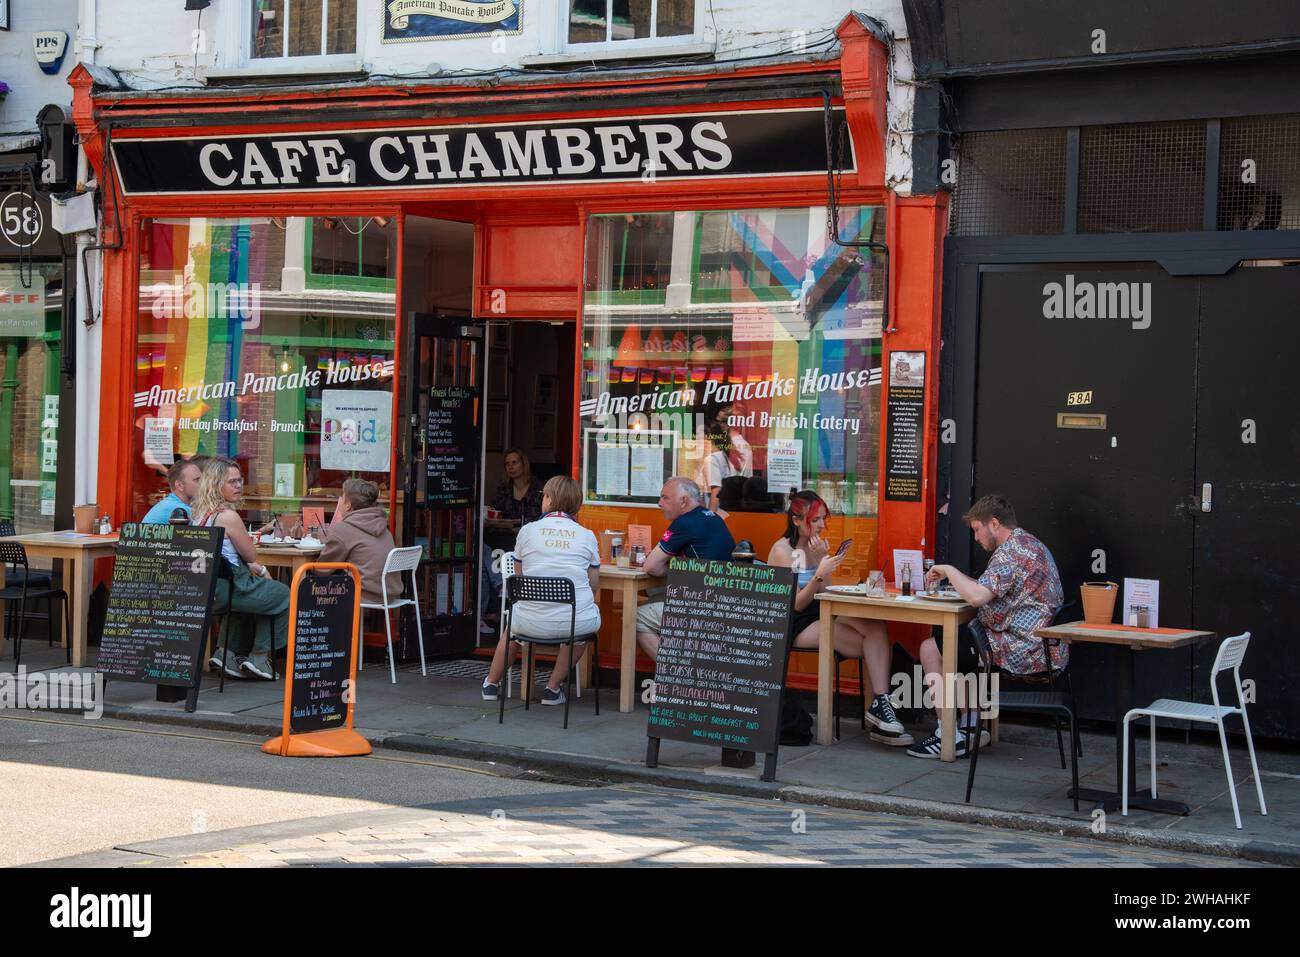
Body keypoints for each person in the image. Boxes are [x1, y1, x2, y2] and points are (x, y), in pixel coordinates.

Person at [907, 494, 1065, 759]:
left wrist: (947, 569)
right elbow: (986, 588)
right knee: (958, 639)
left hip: (1023, 650)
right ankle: (970, 727)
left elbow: (978, 597)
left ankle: (946, 734)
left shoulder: (1010, 552)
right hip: (1041, 645)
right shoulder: (1026, 543)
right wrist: (953, 577)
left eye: (977, 530)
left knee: (931, 647)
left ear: (994, 523)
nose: (976, 538)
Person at [766, 490, 912, 746]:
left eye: (824, 518)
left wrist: (823, 560)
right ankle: (882, 713)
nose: (822, 525)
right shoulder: (782, 551)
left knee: (875, 626)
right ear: (796, 520)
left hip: (819, 610)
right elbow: (797, 604)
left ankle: (881, 704)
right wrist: (819, 573)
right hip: (792, 622)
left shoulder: (815, 546)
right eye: (816, 520)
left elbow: (825, 592)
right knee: (871, 644)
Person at [481, 476, 600, 707]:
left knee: (513, 627)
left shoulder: (527, 531)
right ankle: (552, 689)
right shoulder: (587, 536)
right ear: (577, 504)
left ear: (549, 499)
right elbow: (593, 584)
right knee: (582, 628)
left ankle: (490, 684)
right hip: (571, 621)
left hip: (528, 622)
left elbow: (519, 576)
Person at [191, 457, 290, 681]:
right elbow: (250, 554)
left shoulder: (199, 514)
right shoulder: (228, 516)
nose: (238, 486)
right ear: (216, 484)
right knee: (284, 595)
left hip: (206, 586)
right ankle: (259, 658)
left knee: (256, 600)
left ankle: (226, 653)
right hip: (230, 586)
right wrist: (260, 568)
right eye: (232, 482)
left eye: (239, 480)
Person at [635, 476, 735, 661]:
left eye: (665, 498)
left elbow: (651, 566)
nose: (659, 503)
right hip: (723, 603)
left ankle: (679, 672)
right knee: (654, 596)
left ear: (683, 501)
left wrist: (672, 569)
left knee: (635, 617)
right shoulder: (713, 518)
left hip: (702, 609)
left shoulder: (685, 523)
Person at [482, 449, 545, 633]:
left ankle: (504, 588)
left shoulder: (538, 488)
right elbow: (497, 510)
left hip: (529, 538)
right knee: (485, 548)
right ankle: (501, 589)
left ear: (523, 463)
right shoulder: (504, 488)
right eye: (507, 464)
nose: (511, 467)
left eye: (515, 462)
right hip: (505, 535)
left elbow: (539, 516)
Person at [319, 478, 402, 606]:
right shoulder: (382, 525)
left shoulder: (344, 529)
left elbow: (322, 569)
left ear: (348, 505)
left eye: (342, 496)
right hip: (389, 593)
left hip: (364, 593)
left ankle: (320, 626)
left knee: (311, 584)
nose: (339, 500)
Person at [141, 459, 202, 524]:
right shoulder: (181, 510)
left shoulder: (171, 503)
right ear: (180, 485)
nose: (202, 483)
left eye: (202, 479)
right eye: (197, 480)